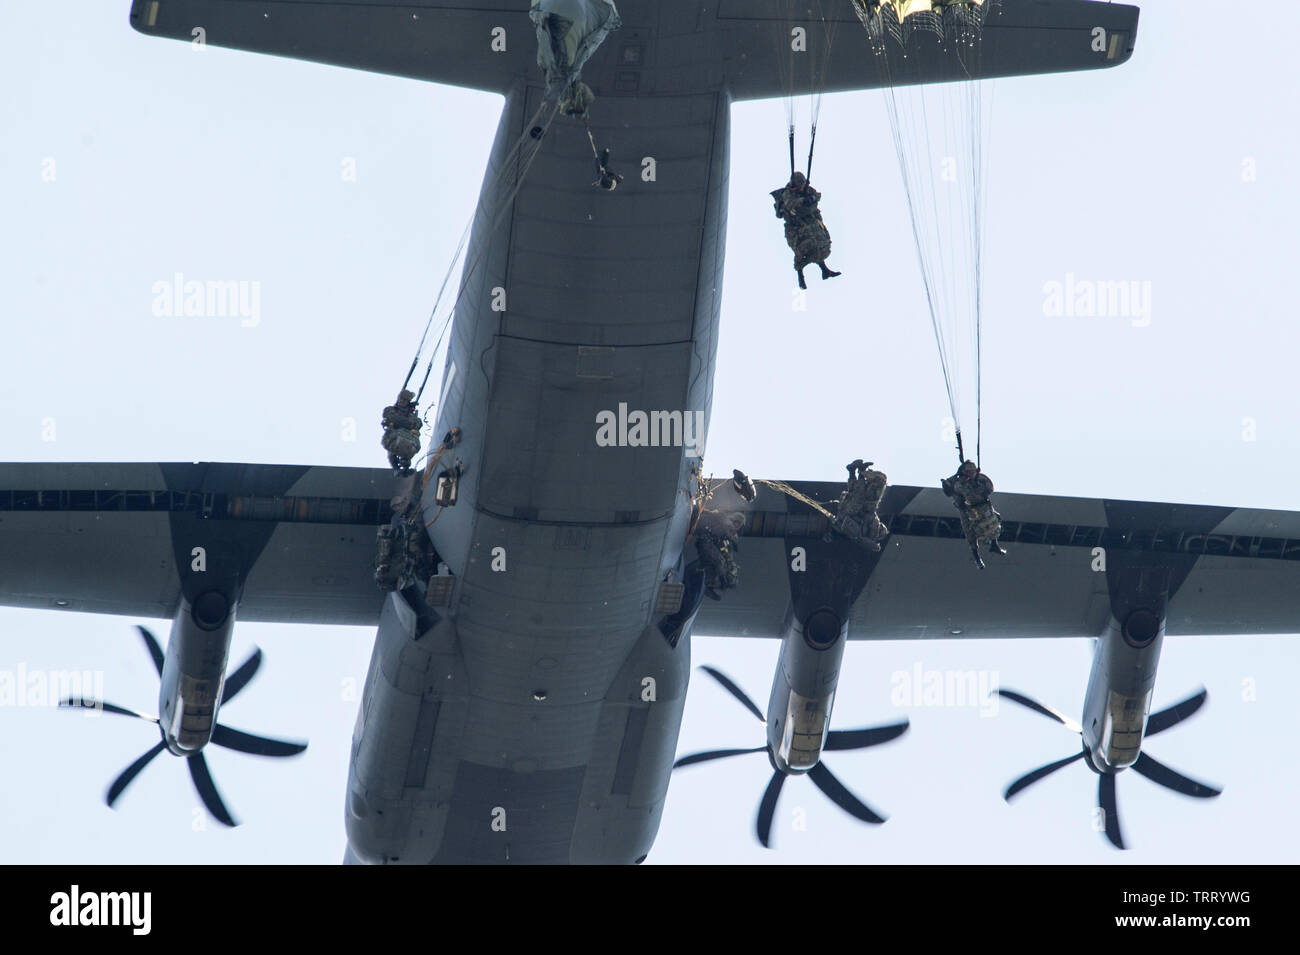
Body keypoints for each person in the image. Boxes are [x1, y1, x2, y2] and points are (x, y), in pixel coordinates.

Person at [769, 171, 841, 289]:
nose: (802, 187)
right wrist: (803, 202)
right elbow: (790, 205)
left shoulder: (807, 190)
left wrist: (811, 199)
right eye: (800, 185)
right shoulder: (787, 194)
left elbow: (816, 196)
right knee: (802, 250)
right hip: (796, 227)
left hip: (811, 222)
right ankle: (800, 277)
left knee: (820, 245)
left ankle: (825, 270)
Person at [941, 460, 1006, 569]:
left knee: (995, 520)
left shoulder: (980, 478)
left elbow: (990, 488)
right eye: (968, 471)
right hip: (967, 510)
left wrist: (980, 485)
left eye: (973, 471)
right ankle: (977, 558)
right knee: (970, 532)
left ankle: (994, 544)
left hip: (984, 506)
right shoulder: (958, 483)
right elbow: (964, 494)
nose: (971, 473)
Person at [833, 459, 888, 550]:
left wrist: (874, 545)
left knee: (858, 496)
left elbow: (863, 540)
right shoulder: (871, 524)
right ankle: (857, 472)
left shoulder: (866, 535)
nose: (879, 527)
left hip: (850, 513)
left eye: (880, 529)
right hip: (856, 510)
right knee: (859, 492)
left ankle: (857, 472)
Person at [695, 510, 743, 600]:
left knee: (715, 568)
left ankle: (708, 586)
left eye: (740, 525)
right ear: (735, 520)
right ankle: (717, 580)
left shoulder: (733, 533)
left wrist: (734, 541)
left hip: (712, 547)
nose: (738, 527)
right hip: (706, 541)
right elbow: (712, 515)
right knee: (719, 562)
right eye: (738, 524)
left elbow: (731, 543)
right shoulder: (724, 520)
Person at [381, 390, 423, 473]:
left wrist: (408, 417)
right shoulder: (390, 410)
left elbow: (417, 424)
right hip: (393, 436)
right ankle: (396, 468)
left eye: (405, 400)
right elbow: (393, 418)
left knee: (411, 447)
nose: (401, 401)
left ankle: (405, 467)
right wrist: (405, 422)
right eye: (401, 399)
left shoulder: (411, 414)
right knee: (392, 448)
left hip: (407, 438)